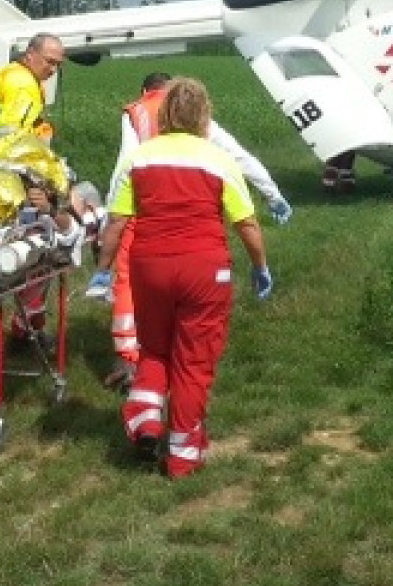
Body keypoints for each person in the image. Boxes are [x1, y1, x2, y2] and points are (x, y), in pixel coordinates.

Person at [93, 78, 272, 479]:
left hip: (150, 265)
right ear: (205, 116)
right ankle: (183, 456)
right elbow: (247, 224)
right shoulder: (218, 160)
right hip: (205, 269)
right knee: (194, 361)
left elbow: (117, 221)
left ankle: (145, 418)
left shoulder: (140, 158)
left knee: (154, 348)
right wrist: (260, 266)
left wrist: (103, 270)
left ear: (164, 115)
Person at [87, 72, 292, 388]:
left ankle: (132, 362)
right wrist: (272, 195)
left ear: (145, 91)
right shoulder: (195, 113)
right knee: (193, 297)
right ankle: (184, 360)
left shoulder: (137, 112)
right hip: (194, 218)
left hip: (145, 211)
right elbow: (239, 156)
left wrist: (108, 231)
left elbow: (123, 164)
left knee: (129, 284)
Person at [0, 33, 63, 142]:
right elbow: (13, 134)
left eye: (58, 64)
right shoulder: (24, 85)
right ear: (30, 54)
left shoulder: (7, 70)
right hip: (7, 151)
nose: (53, 70)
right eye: (49, 61)